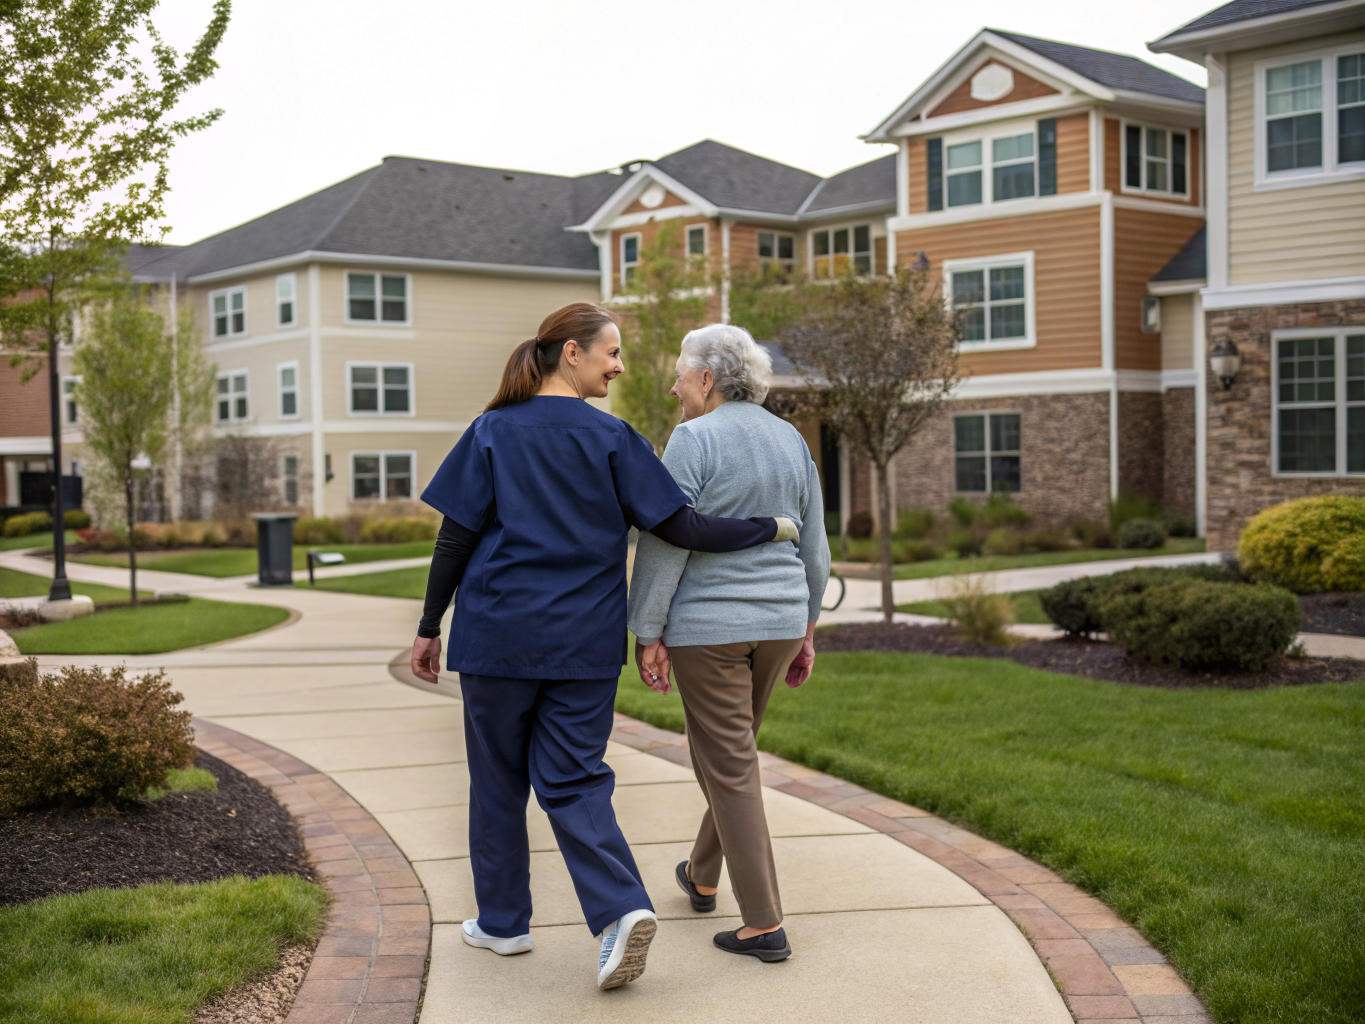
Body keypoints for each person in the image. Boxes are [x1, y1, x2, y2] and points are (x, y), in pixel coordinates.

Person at [409, 303, 797, 992]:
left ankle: (502, 924)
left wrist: (429, 624)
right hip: (582, 643)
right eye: (610, 353)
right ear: (569, 354)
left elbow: (456, 538)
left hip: (497, 636)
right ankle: (619, 910)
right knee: (575, 781)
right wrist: (767, 528)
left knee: (499, 781)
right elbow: (682, 528)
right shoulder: (616, 439)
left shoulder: (492, 430)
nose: (619, 366)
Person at [627, 323, 830, 964]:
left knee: (729, 765)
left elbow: (663, 542)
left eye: (681, 374)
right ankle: (702, 873)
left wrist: (647, 631)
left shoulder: (693, 437)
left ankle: (763, 923)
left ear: (707, 379)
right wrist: (807, 626)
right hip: (777, 621)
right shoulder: (791, 439)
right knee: (732, 758)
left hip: (708, 630)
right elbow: (815, 546)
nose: (674, 386)